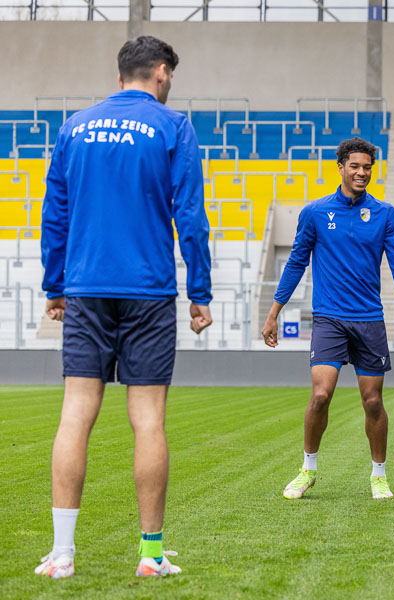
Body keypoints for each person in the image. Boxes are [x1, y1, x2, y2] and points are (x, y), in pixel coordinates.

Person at [36, 36, 213, 579]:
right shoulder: (171, 126)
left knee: (75, 415)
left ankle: (63, 554)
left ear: (120, 77)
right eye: (170, 76)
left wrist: (55, 285)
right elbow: (190, 214)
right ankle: (151, 554)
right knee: (148, 420)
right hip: (148, 291)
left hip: (87, 286)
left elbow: (55, 211)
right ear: (160, 73)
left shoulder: (74, 126)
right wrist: (200, 293)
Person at [262, 137, 394, 501]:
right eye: (355, 166)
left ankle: (379, 475)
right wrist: (274, 312)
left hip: (369, 320)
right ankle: (308, 470)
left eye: (367, 167)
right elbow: (295, 264)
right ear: (340, 167)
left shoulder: (385, 214)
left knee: (372, 402)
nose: (361, 173)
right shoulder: (315, 213)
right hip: (329, 319)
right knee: (321, 394)